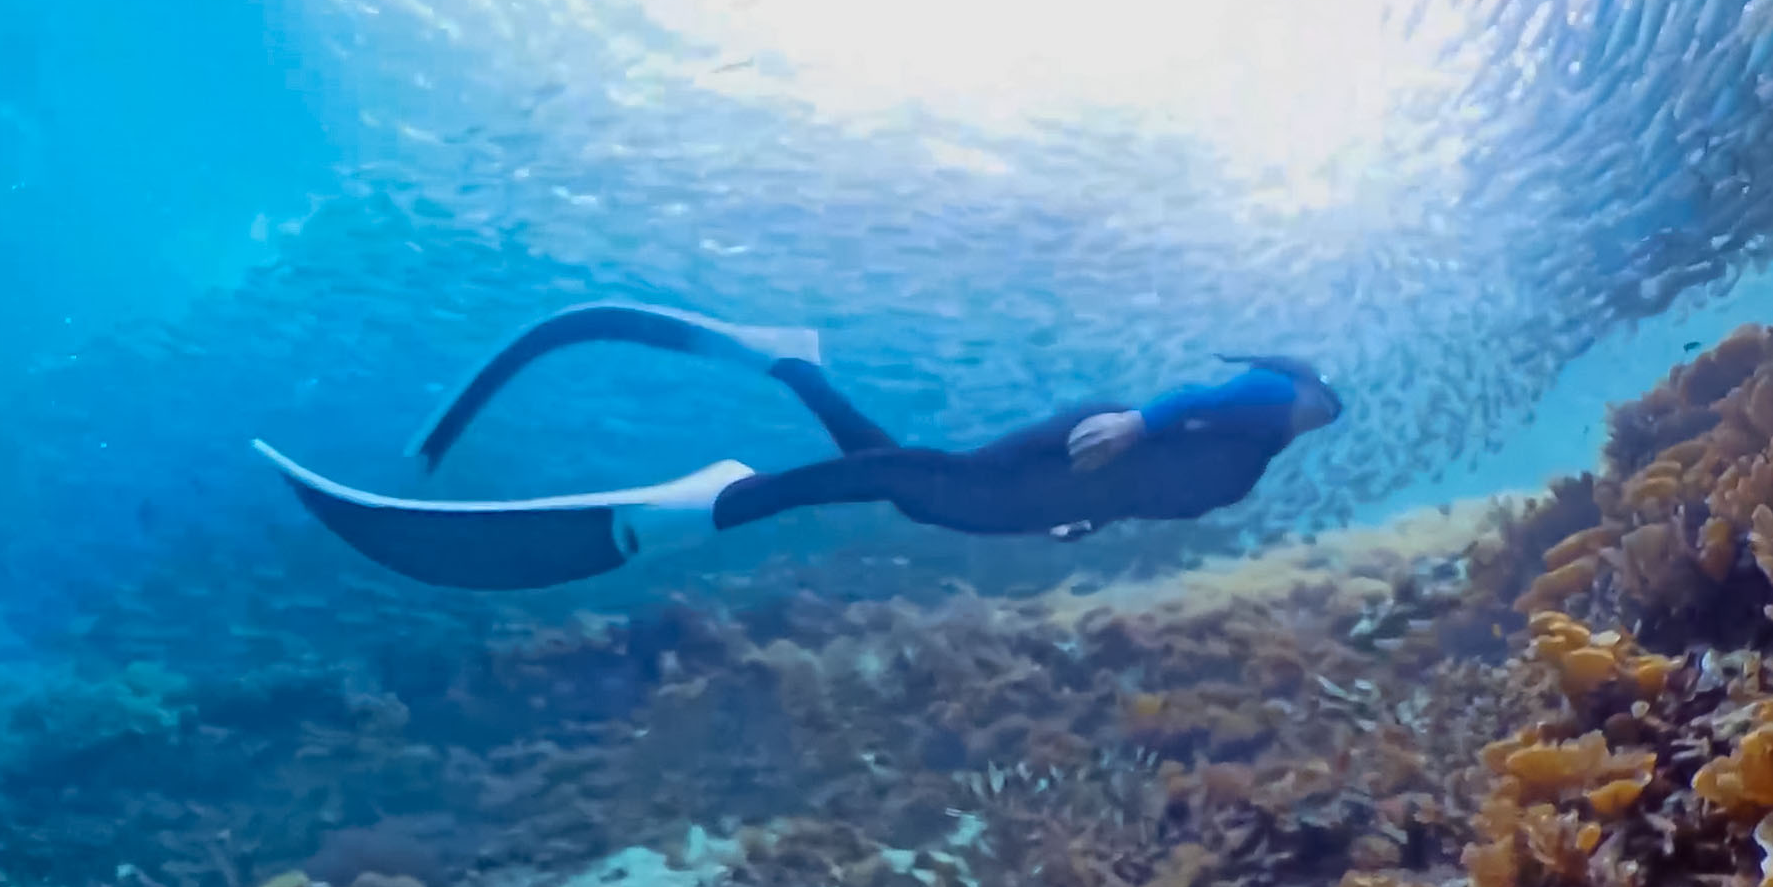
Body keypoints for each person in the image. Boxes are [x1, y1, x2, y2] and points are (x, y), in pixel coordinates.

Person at [254, 305, 1343, 591]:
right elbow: (1231, 387)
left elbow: (1179, 466)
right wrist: (1145, 421)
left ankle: (791, 363)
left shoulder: (1250, 460)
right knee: (924, 485)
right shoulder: (1278, 401)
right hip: (1096, 443)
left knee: (919, 485)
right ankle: (724, 500)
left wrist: (1091, 508)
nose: (1324, 414)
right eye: (1320, 401)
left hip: (1077, 474)